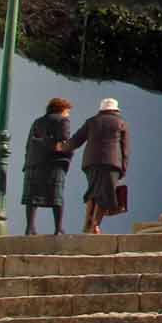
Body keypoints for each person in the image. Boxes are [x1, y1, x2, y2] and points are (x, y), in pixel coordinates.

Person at [66, 98, 130, 235]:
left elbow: (76, 140)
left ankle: (87, 224)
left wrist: (62, 147)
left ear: (101, 109)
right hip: (111, 163)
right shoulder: (121, 123)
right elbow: (125, 149)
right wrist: (123, 169)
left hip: (91, 163)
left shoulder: (91, 121)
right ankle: (95, 224)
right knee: (104, 193)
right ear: (115, 110)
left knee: (93, 191)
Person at [20, 98, 73, 235]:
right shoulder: (63, 120)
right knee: (56, 196)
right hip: (54, 163)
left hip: (34, 162)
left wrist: (27, 161)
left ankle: (30, 227)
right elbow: (64, 142)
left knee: (32, 196)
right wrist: (68, 157)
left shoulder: (37, 121)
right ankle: (58, 228)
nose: (68, 115)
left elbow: (28, 144)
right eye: (67, 111)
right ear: (62, 109)